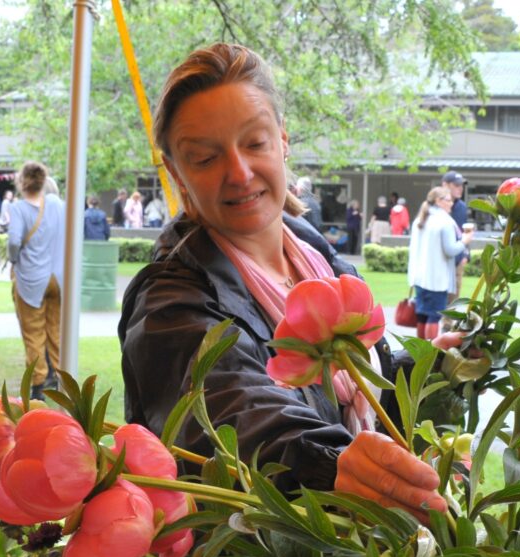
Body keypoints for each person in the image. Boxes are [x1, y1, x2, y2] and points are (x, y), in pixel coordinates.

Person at [119, 43, 458, 521]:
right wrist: (327, 462)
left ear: (283, 142)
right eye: (204, 157)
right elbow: (231, 409)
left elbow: (352, 391)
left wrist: (435, 369)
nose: (238, 172)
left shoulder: (320, 259)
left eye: (255, 143)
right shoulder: (170, 304)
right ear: (176, 173)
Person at [7, 161, 66, 401]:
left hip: (31, 277)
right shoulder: (56, 204)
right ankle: (62, 379)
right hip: (58, 277)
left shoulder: (19, 208)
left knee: (33, 333)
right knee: (56, 330)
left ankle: (38, 384)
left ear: (22, 182)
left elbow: (13, 241)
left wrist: (13, 260)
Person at [406, 186, 473, 341]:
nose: (451, 203)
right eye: (448, 200)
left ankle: (420, 348)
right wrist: (465, 241)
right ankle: (431, 349)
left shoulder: (420, 219)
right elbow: (450, 249)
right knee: (434, 316)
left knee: (422, 315)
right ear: (438, 201)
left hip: (419, 276)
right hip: (437, 278)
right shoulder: (444, 221)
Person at [441, 170, 469, 301]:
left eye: (461, 185)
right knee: (437, 298)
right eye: (456, 185)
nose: (460, 189)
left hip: (457, 259)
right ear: (445, 185)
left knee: (453, 298)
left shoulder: (462, 207)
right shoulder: (435, 206)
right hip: (439, 260)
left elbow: (464, 231)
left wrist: (465, 255)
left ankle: (448, 322)